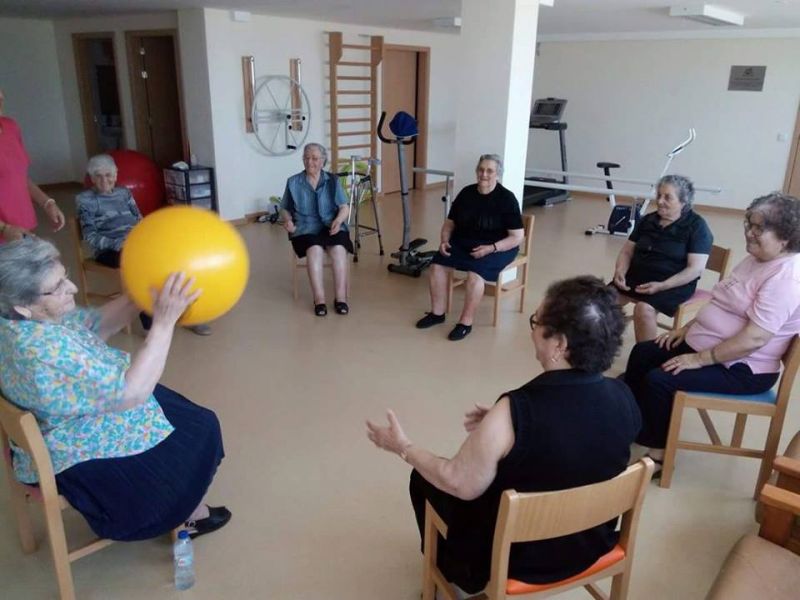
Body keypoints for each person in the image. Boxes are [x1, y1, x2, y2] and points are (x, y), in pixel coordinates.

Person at [368, 276, 641, 595]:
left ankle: (453, 574)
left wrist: (402, 446)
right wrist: (504, 431)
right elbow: (582, 439)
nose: (532, 330)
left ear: (559, 344)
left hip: (518, 559)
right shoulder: (624, 396)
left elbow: (459, 483)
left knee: (424, 478)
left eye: (536, 322)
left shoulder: (514, 411)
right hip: (591, 543)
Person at [0, 238, 230, 541]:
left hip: (59, 422)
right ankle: (184, 512)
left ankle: (184, 503)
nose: (72, 288)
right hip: (70, 448)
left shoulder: (15, 321)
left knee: (185, 414)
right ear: (24, 306)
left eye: (65, 276)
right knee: (200, 428)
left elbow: (93, 326)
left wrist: (138, 295)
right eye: (57, 287)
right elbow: (132, 394)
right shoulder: (43, 349)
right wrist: (164, 322)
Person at [624, 192, 800, 473]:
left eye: (759, 228)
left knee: (660, 380)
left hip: (742, 367)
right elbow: (723, 303)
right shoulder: (756, 259)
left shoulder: (786, 279)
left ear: (785, 238)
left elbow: (755, 338)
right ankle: (632, 423)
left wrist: (699, 359)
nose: (749, 233)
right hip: (711, 347)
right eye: (749, 223)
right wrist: (688, 328)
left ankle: (658, 456)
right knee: (644, 353)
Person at [76, 154, 211, 336]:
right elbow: (90, 235)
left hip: (137, 244)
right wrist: (118, 243)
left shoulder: (124, 193)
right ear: (91, 178)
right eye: (98, 176)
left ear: (115, 175)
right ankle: (151, 325)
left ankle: (187, 315)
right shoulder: (85, 200)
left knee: (175, 258)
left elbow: (139, 220)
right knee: (144, 268)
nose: (104, 180)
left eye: (108, 175)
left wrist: (148, 236)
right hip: (109, 250)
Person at [415, 154, 524, 341]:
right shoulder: (466, 193)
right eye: (481, 169)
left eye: (489, 171)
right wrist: (444, 240)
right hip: (466, 241)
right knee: (437, 265)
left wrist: (491, 248)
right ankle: (437, 313)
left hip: (498, 246)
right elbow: (449, 223)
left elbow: (517, 237)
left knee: (475, 274)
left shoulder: (506, 198)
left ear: (497, 174)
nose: (484, 174)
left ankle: (465, 322)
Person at [612, 174, 713, 342]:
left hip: (673, 284)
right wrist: (620, 271)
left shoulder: (697, 226)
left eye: (667, 197)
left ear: (683, 201)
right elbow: (626, 252)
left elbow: (695, 269)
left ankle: (644, 355)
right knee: (601, 301)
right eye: (659, 195)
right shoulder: (648, 220)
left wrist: (662, 286)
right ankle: (598, 348)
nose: (659, 201)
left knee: (643, 309)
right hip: (637, 277)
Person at [280, 142, 352, 317]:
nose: (309, 162)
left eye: (314, 158)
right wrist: (288, 220)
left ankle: (340, 298)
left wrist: (338, 221)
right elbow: (284, 208)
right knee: (314, 251)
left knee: (338, 250)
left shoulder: (333, 181)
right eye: (306, 158)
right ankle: (319, 300)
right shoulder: (293, 182)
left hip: (331, 225)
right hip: (305, 227)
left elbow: (344, 207)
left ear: (323, 160)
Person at [0, 88, 66, 242]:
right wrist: (4, 228)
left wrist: (47, 203)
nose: (1, 97)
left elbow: (20, 177)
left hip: (22, 225)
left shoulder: (11, 126)